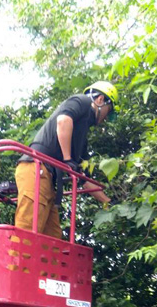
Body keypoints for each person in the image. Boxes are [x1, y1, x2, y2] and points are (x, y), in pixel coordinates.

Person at [13, 81, 116, 239]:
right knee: (27, 231)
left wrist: (108, 202)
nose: (106, 118)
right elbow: (63, 120)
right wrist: (68, 159)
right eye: (108, 112)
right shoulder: (83, 101)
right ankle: (15, 264)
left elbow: (84, 179)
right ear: (100, 99)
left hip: (47, 178)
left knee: (52, 240)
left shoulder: (80, 139)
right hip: (35, 168)